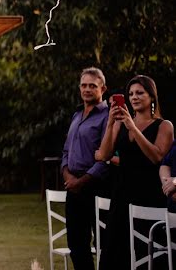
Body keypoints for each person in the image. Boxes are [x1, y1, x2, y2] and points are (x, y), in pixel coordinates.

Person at [97, 75, 173, 270]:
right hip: (121, 194)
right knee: (115, 252)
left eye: (140, 93)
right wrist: (110, 123)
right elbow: (104, 154)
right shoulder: (120, 123)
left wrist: (132, 126)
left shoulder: (164, 125)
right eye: (130, 94)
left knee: (145, 254)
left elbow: (156, 157)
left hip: (149, 195)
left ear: (152, 97)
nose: (134, 97)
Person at [60, 67, 110, 270]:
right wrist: (67, 175)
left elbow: (106, 158)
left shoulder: (108, 116)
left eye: (92, 86)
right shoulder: (76, 115)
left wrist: (81, 181)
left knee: (103, 245)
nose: (87, 89)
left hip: (96, 188)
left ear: (103, 89)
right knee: (76, 245)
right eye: (84, 85)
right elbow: (66, 150)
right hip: (73, 189)